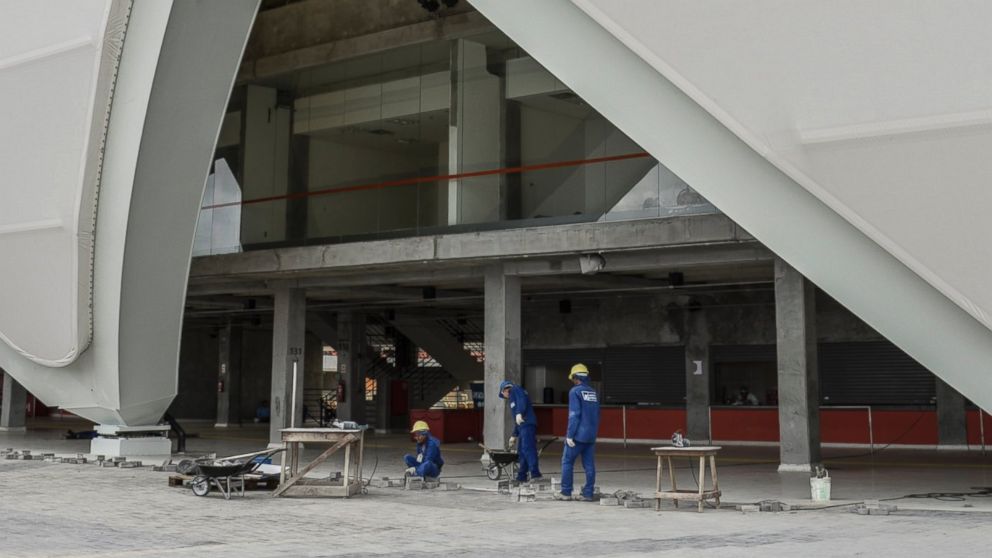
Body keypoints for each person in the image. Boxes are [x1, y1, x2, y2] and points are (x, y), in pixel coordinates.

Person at [556, 363, 600, 501]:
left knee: (567, 462)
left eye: (572, 379)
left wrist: (570, 435)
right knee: (589, 465)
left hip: (577, 435)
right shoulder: (593, 392)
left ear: (575, 377)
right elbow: (597, 414)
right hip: (591, 435)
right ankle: (588, 493)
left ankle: (566, 492)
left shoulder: (574, 391)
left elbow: (574, 414)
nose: (572, 381)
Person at [499, 379, 542, 482]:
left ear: (504, 390)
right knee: (522, 452)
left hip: (527, 424)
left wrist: (519, 412)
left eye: (503, 394)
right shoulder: (513, 396)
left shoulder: (515, 389)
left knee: (528, 449)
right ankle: (521, 476)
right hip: (523, 426)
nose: (505, 397)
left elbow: (522, 400)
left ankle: (535, 474)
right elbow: (517, 421)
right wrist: (514, 435)